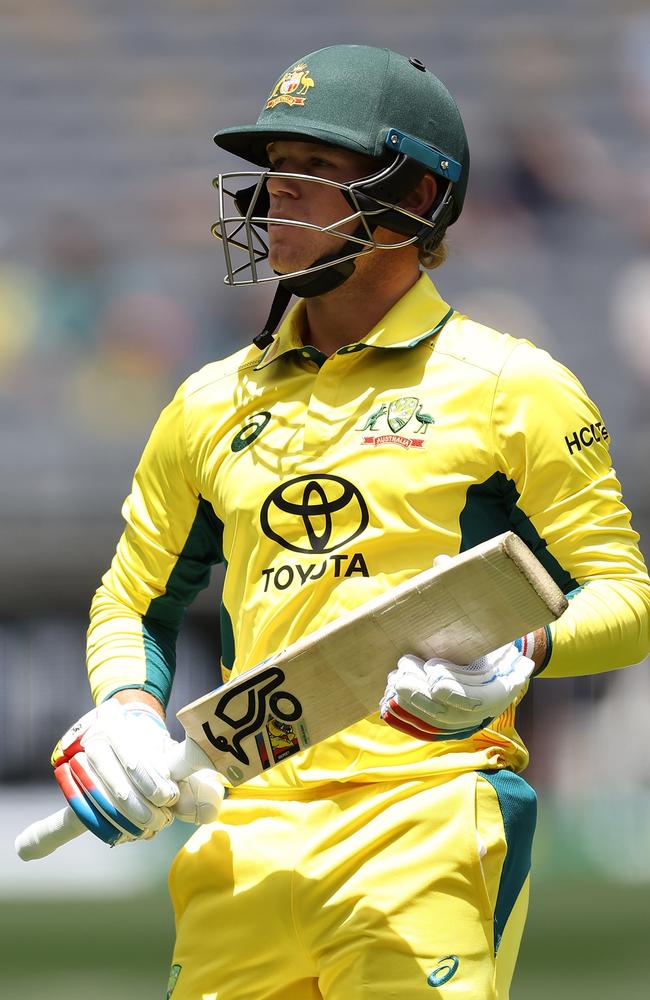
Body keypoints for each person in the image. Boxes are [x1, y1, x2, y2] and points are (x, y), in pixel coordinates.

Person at [46, 45, 650, 999]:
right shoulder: (205, 403)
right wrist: (125, 709)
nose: (275, 194)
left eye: (315, 171)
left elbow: (625, 596)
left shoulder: (510, 386)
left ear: (414, 193)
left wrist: (524, 649)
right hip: (243, 839)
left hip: (431, 818)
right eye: (272, 168)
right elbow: (133, 598)